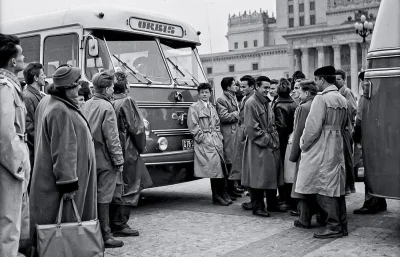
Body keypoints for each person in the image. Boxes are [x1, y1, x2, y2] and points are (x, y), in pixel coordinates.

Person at [30, 65, 97, 252]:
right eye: (76, 85)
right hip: (63, 185)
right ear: (66, 88)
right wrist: (68, 184)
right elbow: (64, 150)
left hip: (57, 178)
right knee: (66, 228)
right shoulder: (60, 110)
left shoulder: (53, 103)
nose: (79, 89)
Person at [295, 66, 348, 239]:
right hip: (337, 142)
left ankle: (333, 226)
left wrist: (304, 144)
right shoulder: (341, 98)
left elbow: (312, 127)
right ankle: (342, 224)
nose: (316, 83)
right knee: (336, 184)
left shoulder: (321, 98)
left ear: (322, 80)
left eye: (316, 80)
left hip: (322, 143)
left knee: (322, 185)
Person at [82, 70, 125, 248]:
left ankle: (93, 232)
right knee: (105, 197)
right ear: (107, 89)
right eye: (112, 88)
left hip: (89, 157)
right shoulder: (107, 107)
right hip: (105, 159)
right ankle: (105, 234)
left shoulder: (86, 104)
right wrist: (119, 160)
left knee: (92, 196)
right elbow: (112, 138)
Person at [110, 71, 153, 237]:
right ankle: (120, 223)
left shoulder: (110, 101)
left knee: (117, 186)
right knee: (129, 186)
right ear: (126, 87)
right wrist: (141, 147)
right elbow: (137, 129)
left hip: (114, 148)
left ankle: (115, 222)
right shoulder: (127, 101)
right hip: (127, 148)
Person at [0, 33, 30, 257]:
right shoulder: (5, 87)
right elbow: (6, 133)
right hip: (8, 165)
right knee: (9, 223)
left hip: (9, 162)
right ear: (12, 61)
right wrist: (19, 166)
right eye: (21, 55)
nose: (24, 59)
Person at [242, 76, 283, 217]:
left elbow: (271, 123)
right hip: (258, 145)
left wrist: (273, 139)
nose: (267, 90)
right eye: (264, 87)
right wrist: (268, 140)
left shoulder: (265, 102)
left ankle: (272, 204)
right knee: (258, 176)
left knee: (271, 174)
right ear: (256, 87)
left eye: (268, 87)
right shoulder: (251, 103)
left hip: (268, 143)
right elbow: (251, 128)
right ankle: (257, 207)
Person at [187, 83, 230, 206]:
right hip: (206, 141)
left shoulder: (212, 107)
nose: (204, 94)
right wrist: (202, 138)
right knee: (214, 169)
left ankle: (222, 194)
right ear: (199, 94)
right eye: (202, 92)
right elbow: (193, 125)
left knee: (220, 167)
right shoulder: (194, 107)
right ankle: (216, 196)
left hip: (215, 140)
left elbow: (217, 123)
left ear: (210, 94)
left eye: (206, 92)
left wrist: (218, 136)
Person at [352, 72, 387, 214]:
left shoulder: (364, 99)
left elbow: (359, 121)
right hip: (381, 140)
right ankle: (380, 200)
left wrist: (356, 138)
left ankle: (370, 202)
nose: (364, 85)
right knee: (378, 171)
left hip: (368, 140)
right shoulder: (382, 97)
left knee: (368, 172)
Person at [289, 80, 319, 228]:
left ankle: (304, 219)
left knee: (302, 186)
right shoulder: (319, 104)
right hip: (319, 151)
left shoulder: (303, 107)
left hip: (305, 150)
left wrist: (293, 155)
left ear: (306, 93)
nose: (298, 95)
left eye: (299, 92)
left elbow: (298, 133)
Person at [272, 78, 297, 211]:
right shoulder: (294, 103)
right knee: (290, 171)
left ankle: (285, 198)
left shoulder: (279, 105)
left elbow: (281, 126)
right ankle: (289, 198)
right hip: (292, 139)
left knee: (282, 170)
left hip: (282, 142)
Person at [216, 77, 242, 200]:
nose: (236, 86)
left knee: (234, 161)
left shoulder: (232, 97)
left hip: (234, 132)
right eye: (233, 85)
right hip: (228, 134)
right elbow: (223, 116)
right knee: (229, 161)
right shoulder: (222, 99)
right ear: (228, 87)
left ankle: (232, 188)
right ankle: (228, 189)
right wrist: (238, 114)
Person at [22, 62, 47, 193]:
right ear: (36, 78)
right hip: (34, 151)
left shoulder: (36, 95)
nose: (45, 76)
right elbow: (28, 127)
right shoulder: (28, 97)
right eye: (43, 74)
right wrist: (42, 144)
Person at [335, 69, 357, 194]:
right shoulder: (338, 92)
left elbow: (352, 109)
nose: (336, 81)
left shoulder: (346, 92)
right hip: (340, 129)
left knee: (347, 157)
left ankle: (350, 185)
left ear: (344, 80)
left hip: (346, 129)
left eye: (339, 79)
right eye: (335, 79)